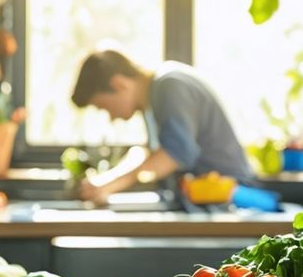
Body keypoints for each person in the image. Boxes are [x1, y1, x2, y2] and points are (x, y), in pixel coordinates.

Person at [70, 49, 256, 206]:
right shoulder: (152, 97)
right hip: (204, 196)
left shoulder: (170, 85)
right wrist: (106, 181)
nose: (111, 117)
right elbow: (149, 154)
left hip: (230, 197)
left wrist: (111, 184)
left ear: (119, 84)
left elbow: (174, 154)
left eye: (104, 106)